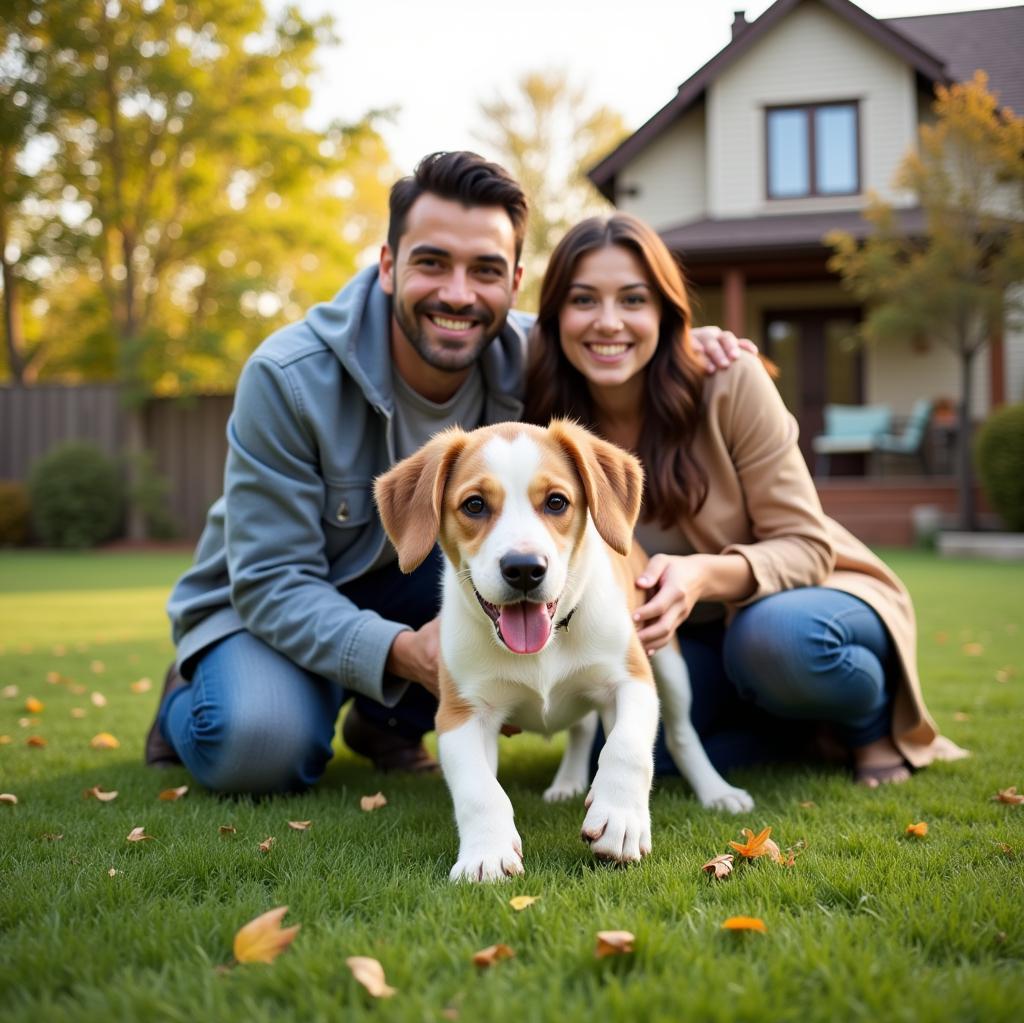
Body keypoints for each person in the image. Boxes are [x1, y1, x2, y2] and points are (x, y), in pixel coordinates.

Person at [146, 152, 747, 794]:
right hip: (275, 602)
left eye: (484, 270)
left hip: (427, 575)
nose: (458, 294)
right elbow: (269, 580)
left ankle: (386, 724)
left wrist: (686, 345)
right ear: (387, 265)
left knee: (490, 574)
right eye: (432, 262)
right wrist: (402, 654)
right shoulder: (287, 377)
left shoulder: (532, 357)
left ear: (514, 282)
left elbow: (614, 350)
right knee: (257, 746)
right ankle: (195, 691)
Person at [524, 213, 967, 785]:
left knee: (773, 641)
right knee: (632, 752)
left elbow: (807, 547)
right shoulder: (543, 420)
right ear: (556, 314)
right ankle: (797, 731)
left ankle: (869, 726)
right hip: (684, 639)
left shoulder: (729, 381)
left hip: (808, 601)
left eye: (633, 300)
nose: (608, 323)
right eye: (584, 300)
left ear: (664, 311)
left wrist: (703, 576)